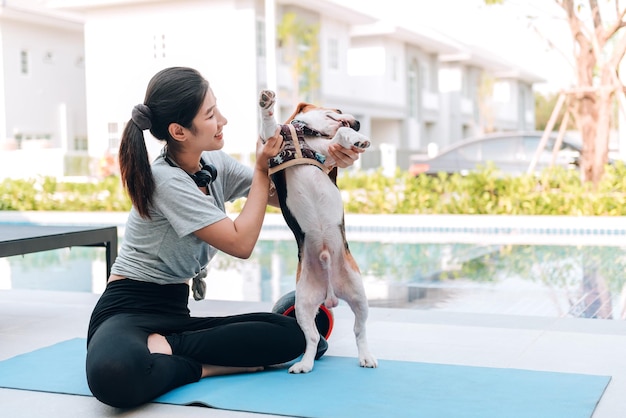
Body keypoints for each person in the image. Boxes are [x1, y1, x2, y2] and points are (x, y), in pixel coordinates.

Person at [85, 66, 363, 408]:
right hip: (126, 311)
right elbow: (240, 243)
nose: (223, 120)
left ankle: (166, 348)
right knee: (113, 376)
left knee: (302, 336)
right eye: (211, 114)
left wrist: (324, 163)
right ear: (179, 131)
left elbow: (279, 194)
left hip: (175, 316)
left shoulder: (212, 162)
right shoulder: (166, 180)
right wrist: (262, 167)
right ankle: (203, 366)